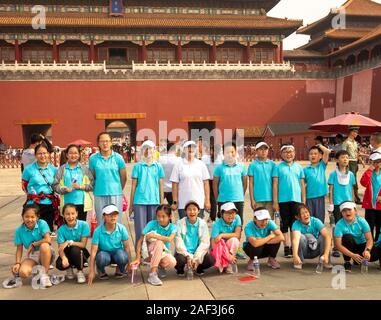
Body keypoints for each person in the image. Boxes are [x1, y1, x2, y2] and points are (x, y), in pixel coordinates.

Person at [129, 140, 165, 247]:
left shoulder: (158, 166)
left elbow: (161, 186)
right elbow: (133, 186)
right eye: (145, 148)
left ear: (154, 150)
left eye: (150, 149)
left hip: (154, 201)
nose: (148, 151)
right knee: (140, 230)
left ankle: (151, 255)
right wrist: (131, 204)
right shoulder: (138, 166)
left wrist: (162, 203)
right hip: (139, 201)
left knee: (153, 231)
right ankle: (139, 255)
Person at [273, 143, 306, 258]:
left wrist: (303, 201)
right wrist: (275, 201)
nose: (289, 154)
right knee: (284, 224)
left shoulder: (299, 167)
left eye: (290, 151)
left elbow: (302, 185)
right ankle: (286, 246)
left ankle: (293, 246)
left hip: (296, 200)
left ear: (294, 153)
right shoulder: (278, 167)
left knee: (294, 224)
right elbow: (275, 184)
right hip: (283, 201)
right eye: (286, 152)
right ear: (281, 154)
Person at [132, 205, 177, 286]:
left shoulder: (173, 227)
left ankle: (160, 266)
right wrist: (138, 257)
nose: (160, 219)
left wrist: (154, 236)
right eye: (158, 216)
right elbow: (140, 241)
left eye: (163, 216)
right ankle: (152, 274)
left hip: (163, 252)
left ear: (169, 216)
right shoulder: (152, 224)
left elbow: (170, 239)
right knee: (159, 243)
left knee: (172, 262)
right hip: (149, 253)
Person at [11, 204, 54, 288]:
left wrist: (34, 244)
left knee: (44, 245)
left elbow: (48, 240)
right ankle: (38, 271)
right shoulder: (19, 231)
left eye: (32, 217)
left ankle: (44, 275)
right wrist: (17, 263)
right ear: (22, 216)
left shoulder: (42, 223)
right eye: (26, 216)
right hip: (32, 256)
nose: (29, 219)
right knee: (23, 273)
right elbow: (19, 249)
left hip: (46, 252)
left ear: (37, 217)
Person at [88, 205, 132, 284]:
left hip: (118, 252)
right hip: (104, 253)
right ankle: (101, 270)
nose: (113, 217)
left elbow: (127, 248)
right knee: (101, 257)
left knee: (122, 256)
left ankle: (120, 269)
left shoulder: (122, 228)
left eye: (115, 215)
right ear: (104, 216)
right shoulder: (98, 231)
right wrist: (91, 271)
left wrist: (130, 264)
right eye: (110, 215)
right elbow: (93, 252)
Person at [89, 132, 127, 225]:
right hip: (99, 193)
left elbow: (124, 177)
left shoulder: (118, 158)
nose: (105, 144)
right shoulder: (93, 159)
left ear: (111, 143)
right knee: (101, 220)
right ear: (98, 143)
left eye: (107, 141)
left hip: (116, 194)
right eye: (102, 141)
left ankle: (116, 239)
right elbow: (92, 177)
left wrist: (118, 189)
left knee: (116, 222)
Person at [22, 143, 59, 232]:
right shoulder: (28, 169)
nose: (43, 156)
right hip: (33, 204)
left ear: (48, 154)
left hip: (48, 204)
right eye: (39, 153)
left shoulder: (53, 169)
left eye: (45, 153)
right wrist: (34, 195)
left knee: (47, 230)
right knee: (33, 229)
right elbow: (24, 186)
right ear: (35, 155)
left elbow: (56, 185)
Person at [334, 201, 378, 272]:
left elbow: (369, 239)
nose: (347, 212)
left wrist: (367, 250)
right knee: (347, 238)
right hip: (350, 246)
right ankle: (347, 261)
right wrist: (352, 255)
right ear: (341, 213)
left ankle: (358, 259)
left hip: (362, 245)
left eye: (349, 210)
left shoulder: (362, 221)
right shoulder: (339, 224)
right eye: (344, 211)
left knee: (375, 256)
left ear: (355, 211)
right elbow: (338, 245)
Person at [53, 144, 94, 221]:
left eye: (75, 153)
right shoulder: (62, 169)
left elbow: (92, 185)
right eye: (71, 153)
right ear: (66, 155)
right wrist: (63, 189)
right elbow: (54, 185)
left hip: (81, 203)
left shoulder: (84, 169)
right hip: (67, 204)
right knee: (68, 228)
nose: (73, 155)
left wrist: (81, 186)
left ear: (79, 155)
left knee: (80, 227)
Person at [170, 140, 210, 219]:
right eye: (188, 147)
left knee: (198, 227)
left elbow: (206, 183)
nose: (191, 149)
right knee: (183, 228)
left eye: (193, 147)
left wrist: (207, 200)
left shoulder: (201, 164)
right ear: (184, 149)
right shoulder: (178, 165)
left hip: (199, 202)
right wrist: (175, 201)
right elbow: (175, 184)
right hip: (183, 203)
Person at [175, 200, 214, 276]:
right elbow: (178, 242)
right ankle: (180, 269)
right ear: (186, 211)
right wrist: (188, 256)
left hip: (198, 252)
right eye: (189, 209)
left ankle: (198, 267)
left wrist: (195, 259)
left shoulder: (202, 223)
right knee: (179, 260)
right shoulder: (180, 223)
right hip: (184, 253)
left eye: (194, 209)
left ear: (198, 211)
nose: (192, 212)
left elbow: (204, 243)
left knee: (210, 260)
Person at [328, 150, 356, 257]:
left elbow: (352, 189)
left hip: (349, 204)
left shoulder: (351, 175)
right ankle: (336, 247)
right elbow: (331, 189)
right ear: (336, 160)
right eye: (343, 157)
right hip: (337, 204)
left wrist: (353, 203)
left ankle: (348, 246)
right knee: (336, 226)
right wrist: (330, 203)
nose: (345, 159)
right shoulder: (333, 174)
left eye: (347, 157)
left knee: (349, 224)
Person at [55, 204, 90, 284]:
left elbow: (83, 245)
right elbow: (60, 249)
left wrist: (70, 242)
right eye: (67, 214)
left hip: (81, 252)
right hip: (67, 252)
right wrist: (64, 258)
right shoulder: (61, 229)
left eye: (73, 213)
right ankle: (69, 268)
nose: (70, 217)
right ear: (63, 215)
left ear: (77, 213)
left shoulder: (84, 225)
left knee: (74, 249)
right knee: (59, 264)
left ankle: (80, 271)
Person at [213, 141, 247, 223]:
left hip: (238, 199)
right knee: (223, 223)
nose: (230, 154)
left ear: (236, 152)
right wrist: (217, 198)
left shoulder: (241, 167)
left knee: (238, 223)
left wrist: (241, 195)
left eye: (232, 152)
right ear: (223, 153)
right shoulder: (219, 168)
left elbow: (245, 183)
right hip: (223, 200)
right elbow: (215, 185)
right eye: (227, 152)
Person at [291, 204, 332, 270]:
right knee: (300, 237)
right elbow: (295, 239)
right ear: (297, 217)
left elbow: (328, 236)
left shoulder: (316, 221)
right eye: (302, 213)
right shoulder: (296, 224)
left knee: (324, 236)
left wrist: (326, 254)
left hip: (315, 248)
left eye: (306, 212)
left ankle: (325, 261)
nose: (306, 215)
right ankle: (298, 261)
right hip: (304, 250)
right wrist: (295, 255)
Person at [210, 202, 242, 274]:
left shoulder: (237, 218)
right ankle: (225, 262)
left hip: (230, 246)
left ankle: (229, 263)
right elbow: (214, 242)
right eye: (227, 213)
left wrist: (222, 235)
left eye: (233, 212)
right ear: (221, 214)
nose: (230, 215)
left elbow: (237, 235)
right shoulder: (217, 224)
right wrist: (226, 256)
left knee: (235, 240)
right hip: (220, 248)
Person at [304, 144, 331, 223]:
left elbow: (327, 151)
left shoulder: (322, 166)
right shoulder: (305, 169)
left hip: (320, 197)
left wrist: (319, 146)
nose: (313, 155)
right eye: (311, 154)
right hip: (309, 197)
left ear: (320, 156)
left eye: (315, 154)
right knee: (310, 218)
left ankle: (320, 235)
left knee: (319, 219)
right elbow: (303, 184)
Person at [248, 141, 276, 218]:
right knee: (259, 221)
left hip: (270, 199)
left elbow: (275, 183)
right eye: (261, 149)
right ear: (256, 151)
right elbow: (251, 183)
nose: (263, 151)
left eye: (265, 149)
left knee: (269, 221)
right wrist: (252, 199)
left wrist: (275, 200)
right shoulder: (252, 165)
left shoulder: (273, 164)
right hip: (258, 199)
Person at [360, 151, 381, 240]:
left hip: (380, 205)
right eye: (374, 162)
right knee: (369, 226)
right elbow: (363, 183)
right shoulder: (369, 173)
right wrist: (369, 170)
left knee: (379, 226)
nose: (377, 164)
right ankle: (370, 242)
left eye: (378, 161)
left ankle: (378, 242)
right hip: (369, 205)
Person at [342, 127, 361, 204]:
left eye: (357, 132)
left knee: (353, 179)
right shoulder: (346, 142)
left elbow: (356, 153)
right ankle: (355, 198)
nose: (356, 134)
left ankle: (353, 197)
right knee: (352, 180)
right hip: (349, 162)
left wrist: (361, 161)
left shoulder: (355, 142)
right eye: (355, 132)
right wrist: (345, 165)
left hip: (355, 162)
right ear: (351, 132)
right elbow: (343, 154)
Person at [159, 140, 180, 206]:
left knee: (158, 209)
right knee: (175, 210)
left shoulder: (160, 159)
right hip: (174, 189)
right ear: (175, 149)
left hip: (162, 188)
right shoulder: (179, 160)